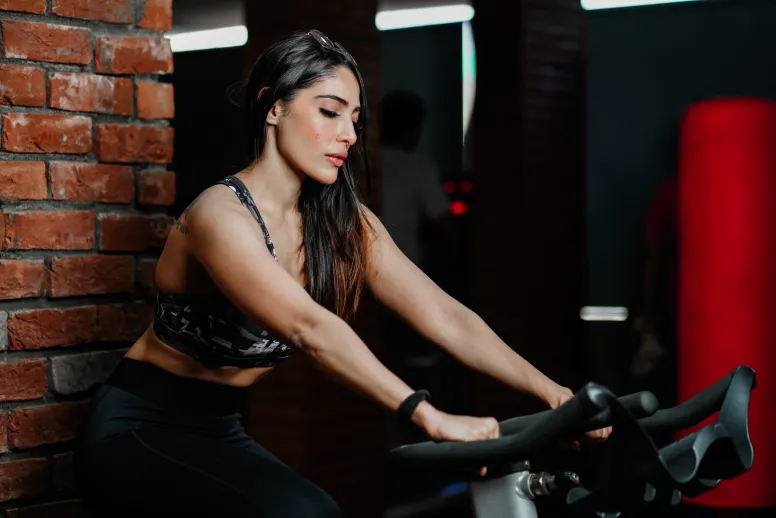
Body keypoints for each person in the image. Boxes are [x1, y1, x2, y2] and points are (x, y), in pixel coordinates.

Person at [74, 29, 609, 518]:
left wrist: (555, 393)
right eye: (329, 111)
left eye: (355, 118)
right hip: (141, 426)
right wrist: (427, 415)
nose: (348, 133)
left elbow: (443, 314)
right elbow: (310, 328)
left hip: (221, 426)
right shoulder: (219, 215)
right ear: (272, 107)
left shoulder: (342, 223)